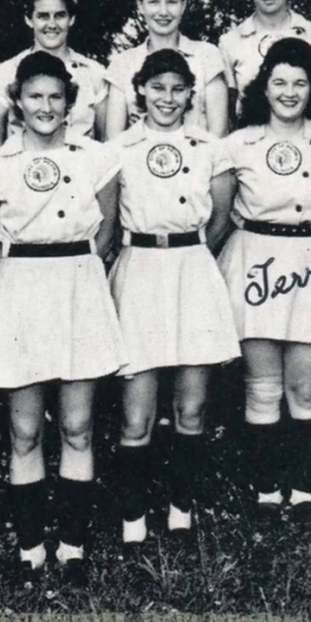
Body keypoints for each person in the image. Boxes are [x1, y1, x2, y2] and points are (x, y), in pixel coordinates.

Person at [0, 51, 124, 584]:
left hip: (79, 285)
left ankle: (74, 546)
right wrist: (25, 274)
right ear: (16, 101)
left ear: (69, 102)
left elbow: (106, 232)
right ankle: (31, 547)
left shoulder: (97, 157)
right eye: (34, 96)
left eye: (55, 96)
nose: (45, 106)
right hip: (22, 290)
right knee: (24, 428)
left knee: (79, 425)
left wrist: (80, 265)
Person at [218, 38, 311, 514]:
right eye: (279, 81)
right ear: (264, 87)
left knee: (306, 388)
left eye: (300, 82)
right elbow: (220, 214)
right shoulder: (237, 144)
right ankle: (264, 486)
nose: (289, 91)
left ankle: (304, 490)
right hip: (255, 259)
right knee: (262, 387)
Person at [108, 49, 241, 541]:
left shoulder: (210, 146)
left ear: (191, 94)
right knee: (137, 411)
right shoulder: (118, 148)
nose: (167, 98)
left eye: (178, 88)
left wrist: (192, 254)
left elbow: (223, 217)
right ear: (140, 90)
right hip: (139, 269)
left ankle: (181, 509)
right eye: (157, 87)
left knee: (191, 408)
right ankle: (133, 516)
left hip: (191, 270)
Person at [106, 0, 230, 138]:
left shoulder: (207, 56)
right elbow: (114, 141)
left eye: (171, 2)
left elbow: (219, 136)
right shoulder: (122, 64)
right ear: (140, 5)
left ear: (184, 4)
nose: (163, 12)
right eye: (154, 2)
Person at [0, 0, 108, 146]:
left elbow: (106, 139)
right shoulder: (5, 73)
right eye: (43, 16)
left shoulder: (94, 73)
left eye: (59, 15)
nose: (52, 24)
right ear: (29, 20)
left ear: (71, 19)